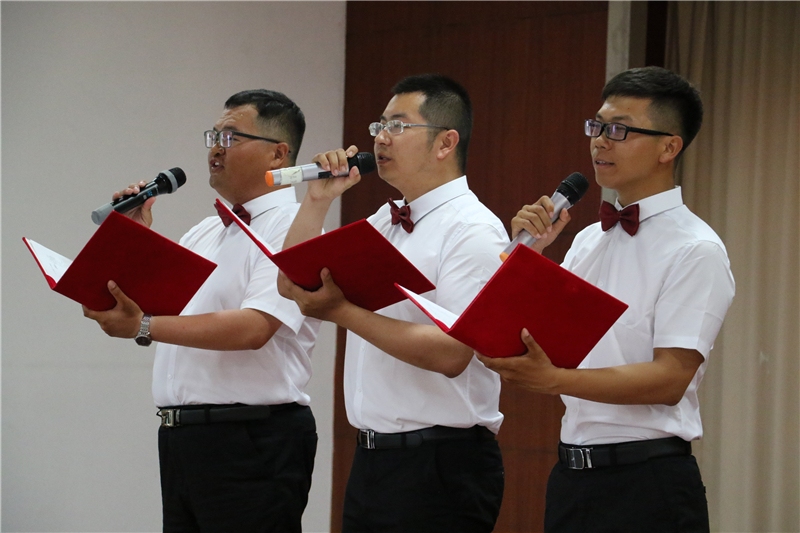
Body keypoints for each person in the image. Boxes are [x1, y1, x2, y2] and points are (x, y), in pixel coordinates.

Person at [477, 66, 735, 533]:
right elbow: (535, 334)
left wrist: (554, 380)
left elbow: (670, 378)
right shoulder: (587, 240)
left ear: (669, 147)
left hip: (648, 482)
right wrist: (528, 254)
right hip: (572, 476)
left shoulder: (696, 248)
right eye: (596, 127)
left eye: (619, 130)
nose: (599, 141)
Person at [83, 89, 321, 532]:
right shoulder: (205, 231)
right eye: (213, 136)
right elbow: (159, 313)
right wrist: (136, 238)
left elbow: (254, 328)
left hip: (251, 437)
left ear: (278, 153)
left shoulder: (294, 227)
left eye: (231, 137)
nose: (215, 148)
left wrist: (143, 326)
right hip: (182, 437)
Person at [277, 74, 507, 532]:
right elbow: (291, 284)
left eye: (398, 126)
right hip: (373, 458)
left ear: (446, 142)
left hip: (441, 464)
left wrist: (343, 313)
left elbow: (453, 352)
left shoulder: (474, 230)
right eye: (379, 126)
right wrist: (317, 201)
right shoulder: (386, 219)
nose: (381, 138)